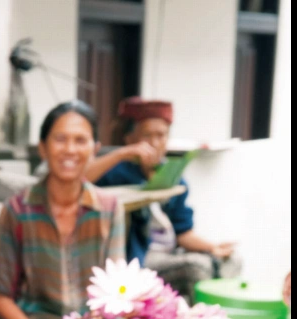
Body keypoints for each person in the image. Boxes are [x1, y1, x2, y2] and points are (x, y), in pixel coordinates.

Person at [0, 101, 125, 319]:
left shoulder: (110, 208)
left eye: (80, 140)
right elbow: (1, 296)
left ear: (95, 149)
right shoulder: (17, 210)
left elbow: (116, 290)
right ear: (43, 148)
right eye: (60, 139)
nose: (70, 149)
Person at [86, 97, 239, 299]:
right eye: (147, 135)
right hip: (136, 258)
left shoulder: (174, 177)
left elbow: (183, 233)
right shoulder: (114, 172)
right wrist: (120, 154)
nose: (155, 143)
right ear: (130, 139)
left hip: (169, 253)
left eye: (162, 135)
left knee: (232, 261)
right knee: (196, 267)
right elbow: (79, 180)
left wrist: (213, 247)